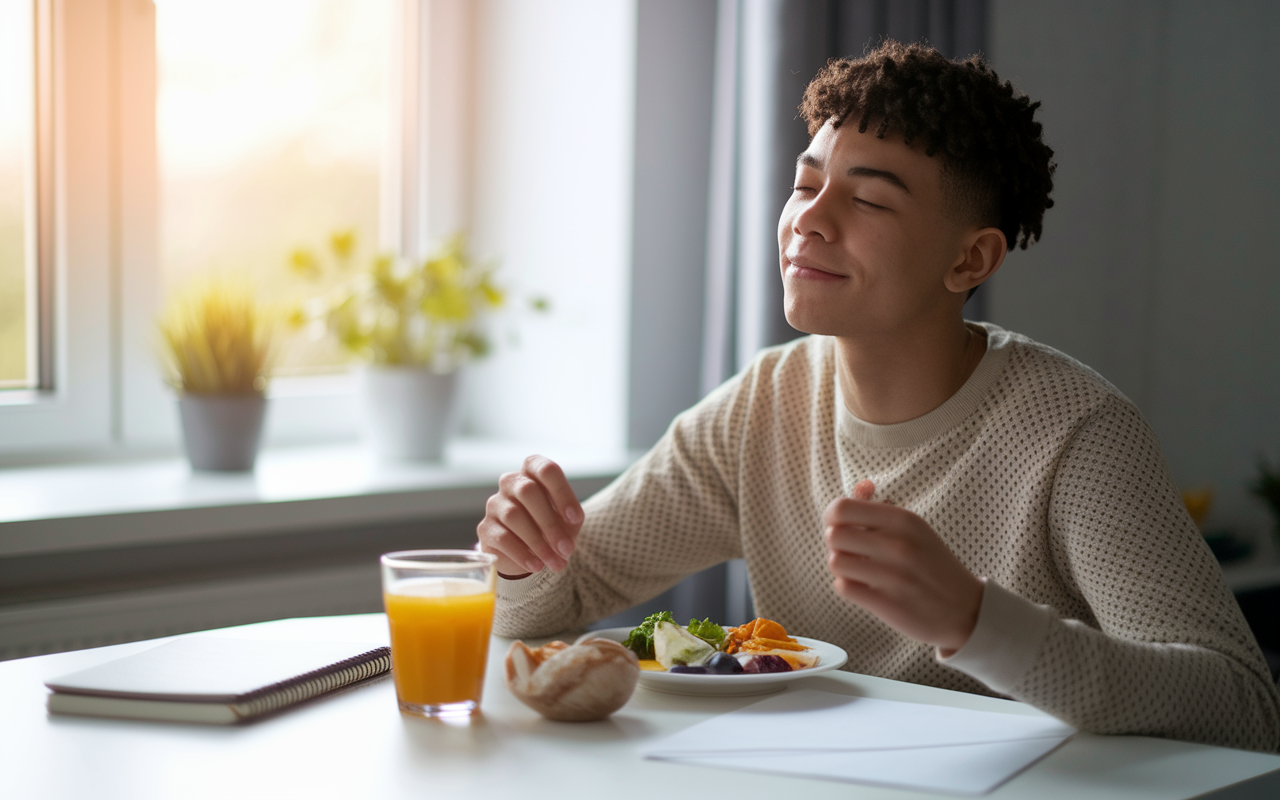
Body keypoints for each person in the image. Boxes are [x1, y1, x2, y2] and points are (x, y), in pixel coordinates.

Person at [476, 40, 1280, 752]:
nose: (807, 221)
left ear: (970, 260)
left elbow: (1243, 710)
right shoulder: (764, 405)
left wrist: (974, 620)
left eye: (867, 200)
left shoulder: (1077, 433)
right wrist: (523, 563)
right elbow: (560, 601)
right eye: (806, 182)